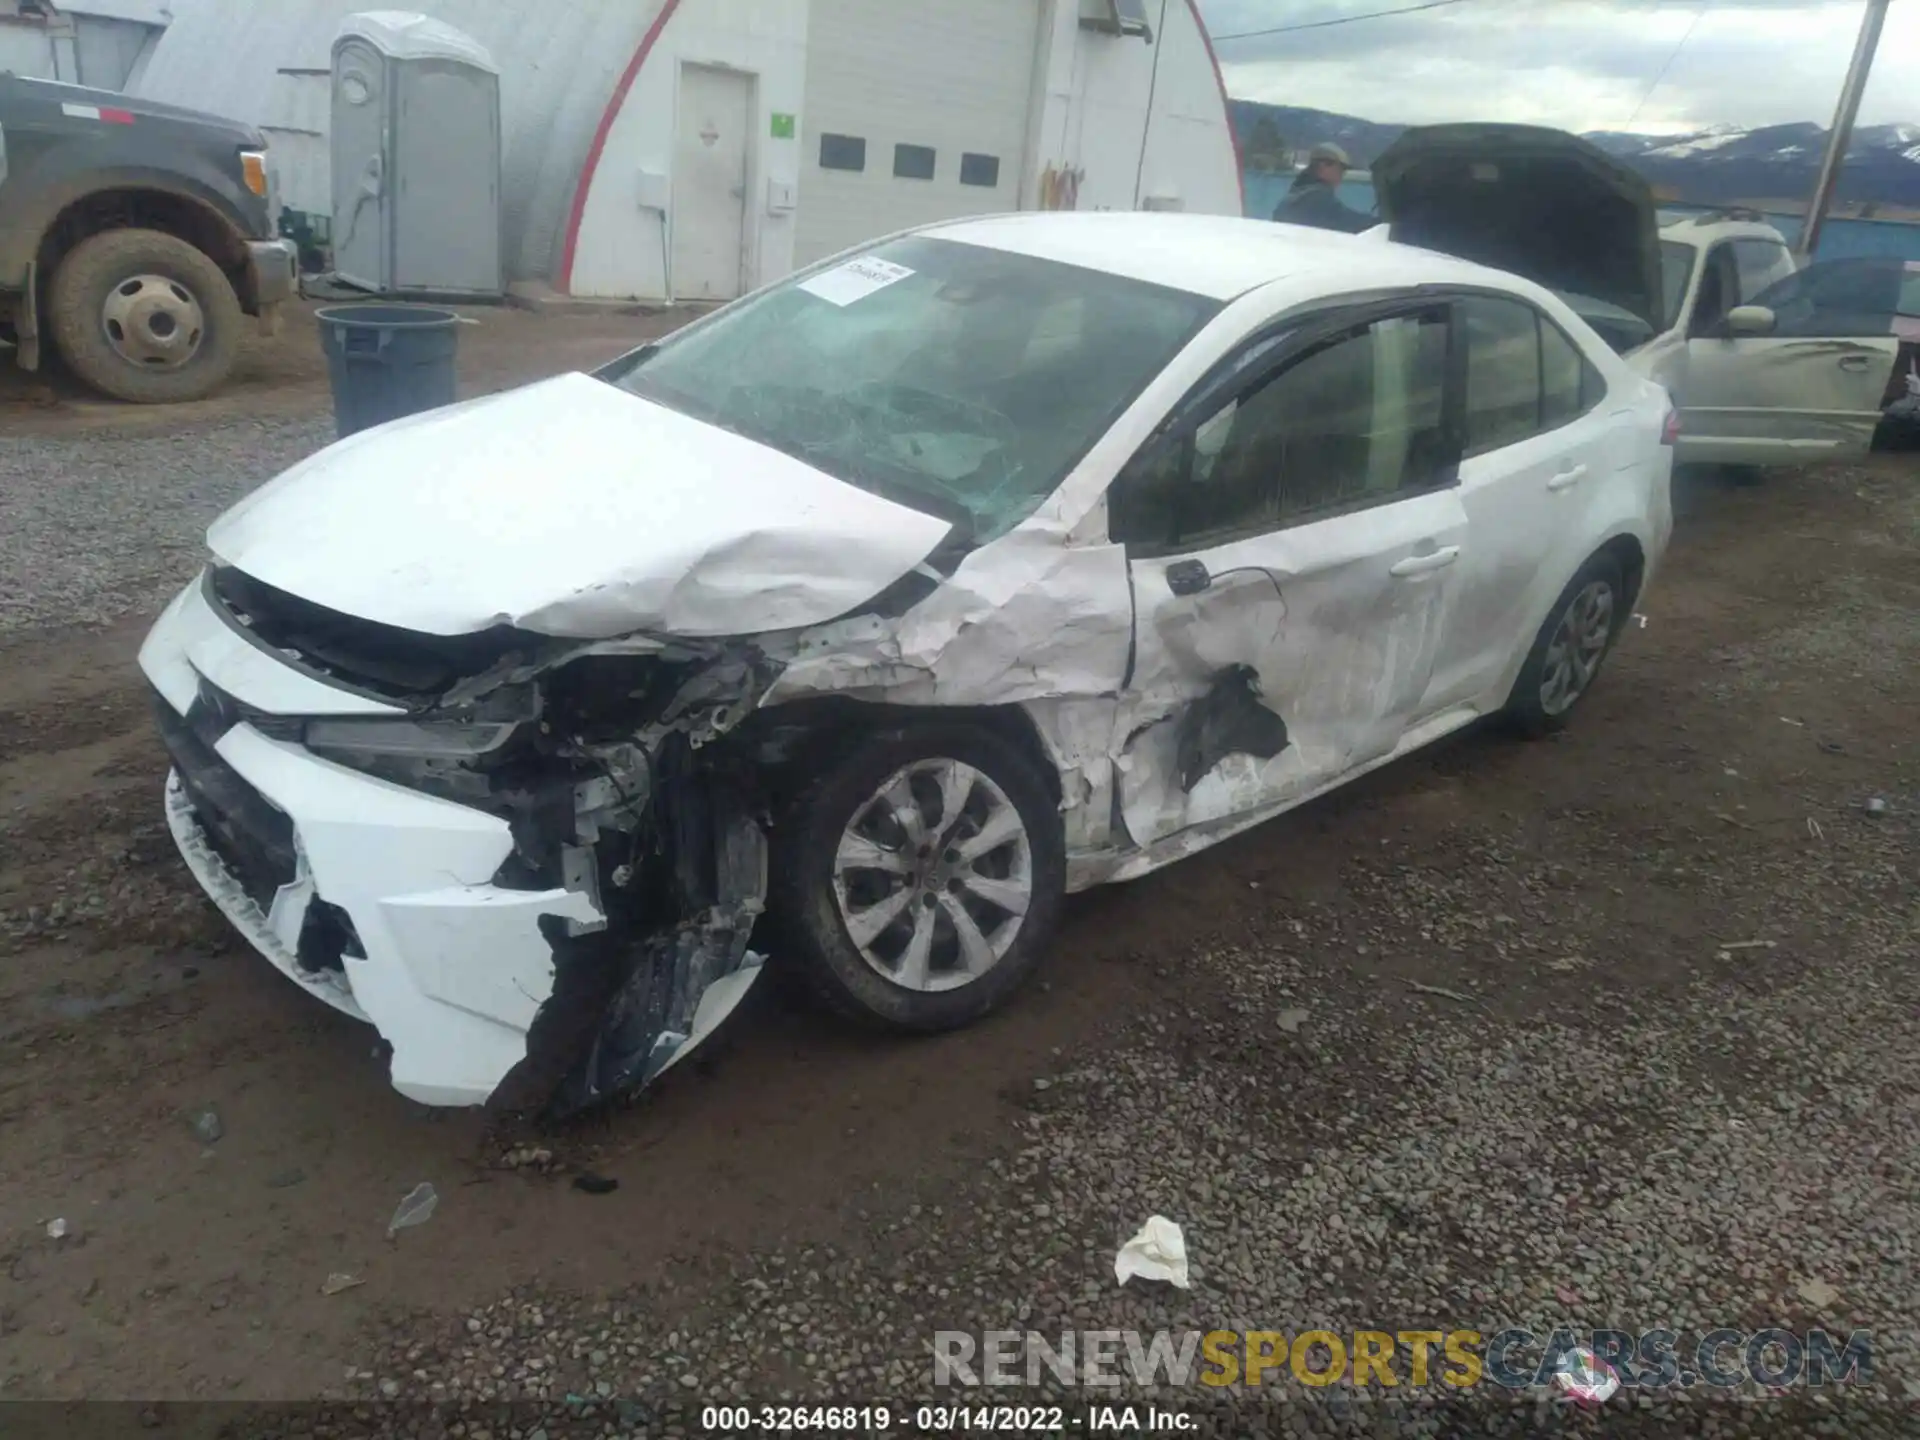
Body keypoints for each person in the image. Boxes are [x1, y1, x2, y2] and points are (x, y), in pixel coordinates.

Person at [1271, 141, 1375, 235]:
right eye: (1341, 170)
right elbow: (1347, 221)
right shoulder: (1316, 198)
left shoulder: (1297, 192)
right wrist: (1382, 224)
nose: (1341, 176)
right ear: (1324, 166)